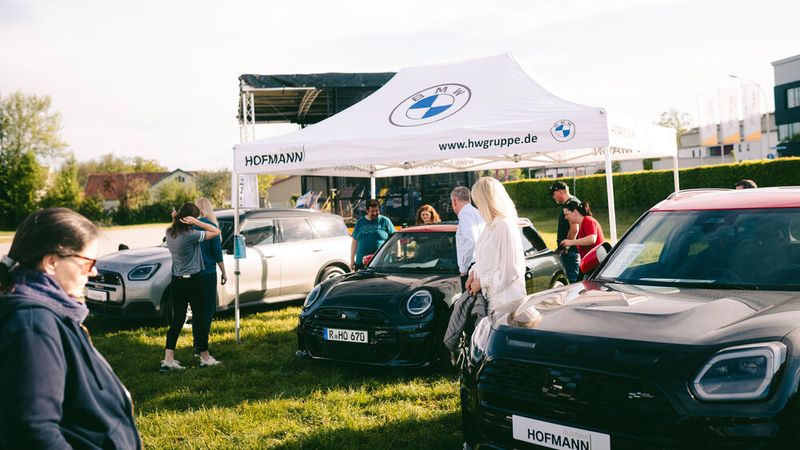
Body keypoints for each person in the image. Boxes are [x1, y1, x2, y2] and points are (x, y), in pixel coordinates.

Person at [0, 208, 141, 449]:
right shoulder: (34, 325)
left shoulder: (49, 313)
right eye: (87, 263)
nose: (94, 272)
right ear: (52, 262)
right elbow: (33, 432)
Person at [162, 202, 222, 371]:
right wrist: (197, 223)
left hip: (177, 280)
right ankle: (204, 357)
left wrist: (177, 219)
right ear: (189, 220)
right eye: (195, 218)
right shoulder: (192, 235)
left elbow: (175, 225)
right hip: (193, 281)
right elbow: (216, 232)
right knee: (201, 317)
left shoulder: (169, 233)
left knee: (178, 319)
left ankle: (169, 359)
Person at [466, 177, 526, 312]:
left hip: (506, 301)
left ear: (486, 201)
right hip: (492, 297)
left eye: (478, 201)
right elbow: (487, 259)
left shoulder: (505, 226)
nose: (477, 207)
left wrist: (482, 282)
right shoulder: (489, 225)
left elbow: (512, 269)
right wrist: (473, 273)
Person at [195, 197, 227, 356]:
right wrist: (224, 271)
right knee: (207, 311)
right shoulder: (212, 226)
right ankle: (203, 347)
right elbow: (217, 253)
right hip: (208, 273)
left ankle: (197, 344)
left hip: (194, 274)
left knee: (197, 311)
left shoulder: (191, 226)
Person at [451, 186, 484, 292]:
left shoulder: (465, 215)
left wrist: (464, 269)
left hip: (471, 267)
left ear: (455, 201)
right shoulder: (478, 213)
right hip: (481, 264)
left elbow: (471, 241)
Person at [560, 200, 605, 277]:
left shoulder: (587, 220)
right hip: (592, 266)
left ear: (575, 212)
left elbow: (592, 239)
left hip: (596, 266)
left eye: (567, 214)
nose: (565, 217)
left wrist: (570, 242)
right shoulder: (583, 223)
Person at [549, 181, 581, 283]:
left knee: (573, 283)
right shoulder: (570, 203)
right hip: (569, 251)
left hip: (571, 252)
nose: (553, 197)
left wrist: (566, 246)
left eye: (553, 194)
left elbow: (575, 228)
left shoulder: (572, 203)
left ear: (560, 191)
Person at [350, 199, 395, 270]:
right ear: (367, 211)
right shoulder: (360, 222)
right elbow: (354, 241)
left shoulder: (385, 221)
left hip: (381, 264)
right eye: (372, 211)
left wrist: (397, 256)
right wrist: (352, 260)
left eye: (376, 210)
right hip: (361, 264)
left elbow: (395, 238)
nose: (375, 213)